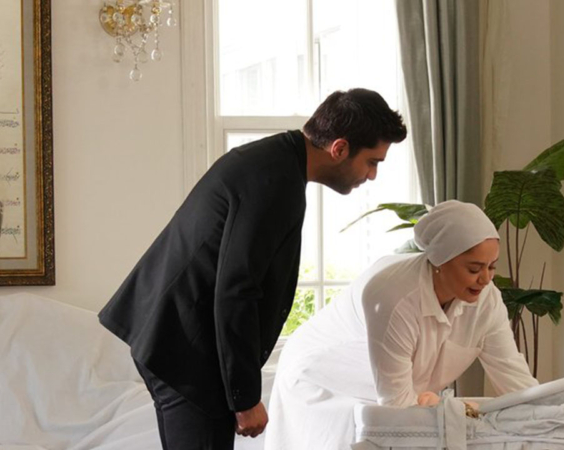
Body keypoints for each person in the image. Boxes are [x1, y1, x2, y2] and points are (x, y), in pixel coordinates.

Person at [97, 88, 407, 450]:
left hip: (180, 339)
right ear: (339, 148)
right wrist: (244, 398)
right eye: (372, 162)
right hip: (183, 348)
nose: (372, 175)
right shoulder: (275, 180)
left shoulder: (276, 163)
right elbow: (237, 289)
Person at [264, 200, 538, 450]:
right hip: (321, 381)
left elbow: (516, 382)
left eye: (492, 266)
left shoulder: (487, 301)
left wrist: (551, 413)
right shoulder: (392, 296)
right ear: (440, 261)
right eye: (474, 269)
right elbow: (397, 409)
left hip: (389, 394)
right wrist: (447, 410)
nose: (486, 279)